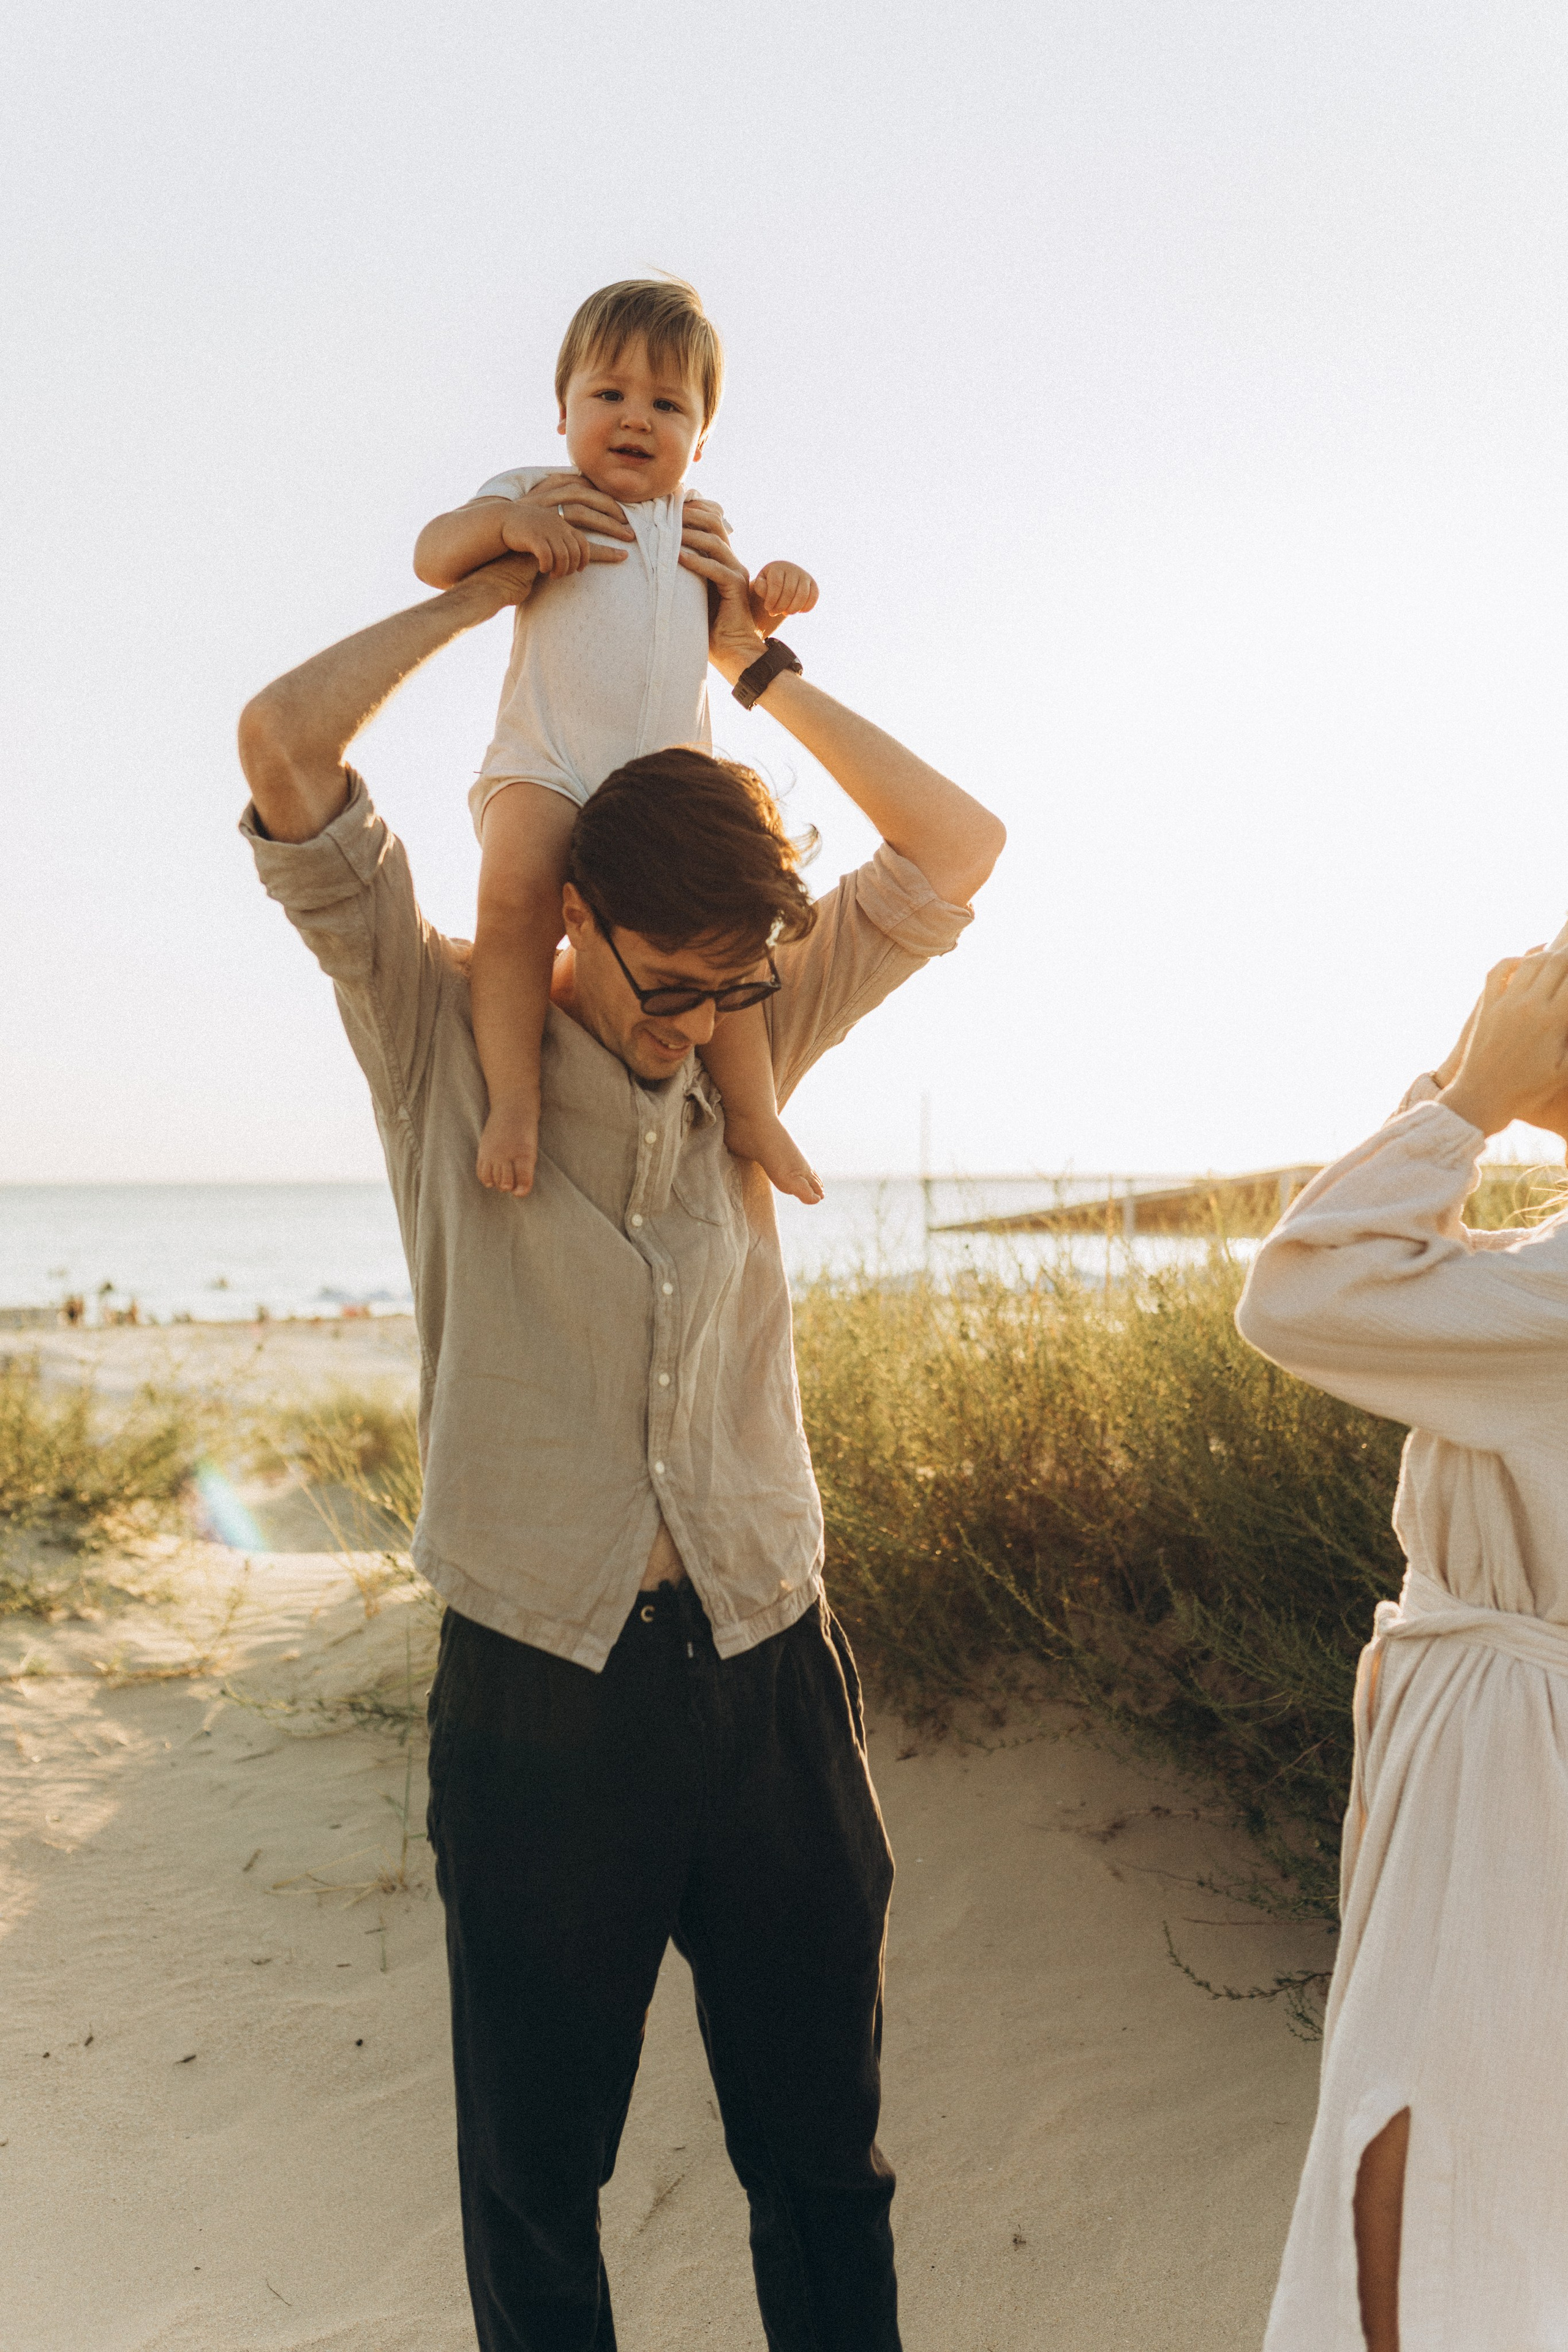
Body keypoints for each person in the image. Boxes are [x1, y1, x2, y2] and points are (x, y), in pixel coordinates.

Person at [235, 503, 1005, 2352]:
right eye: (669, 984)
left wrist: (751, 663)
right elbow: (281, 750)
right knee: (536, 2185)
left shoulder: (750, 1019)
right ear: (573, 910)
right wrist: (503, 595)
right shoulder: (436, 1032)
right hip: (540, 1692)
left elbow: (956, 846)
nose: (697, 1022)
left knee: (824, 2161)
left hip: (768, 1669)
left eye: (732, 987)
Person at [1235, 940, 1568, 2352]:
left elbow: (1300, 1292)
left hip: (1509, 1761)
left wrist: (1465, 1096)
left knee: (1416, 2166)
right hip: (1497, 1730)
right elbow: (1404, 1273)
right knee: (1463, 2170)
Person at [413, 276, 823, 1207]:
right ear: (563, 411)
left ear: (701, 438)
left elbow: (732, 623)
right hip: (551, 762)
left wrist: (770, 592)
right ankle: (514, 1100)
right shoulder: (541, 492)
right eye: (610, 394)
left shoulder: (699, 523)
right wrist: (509, 526)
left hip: (672, 785)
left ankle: (754, 1109)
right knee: (515, 898)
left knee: (727, 932)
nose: (636, 418)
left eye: (668, 405)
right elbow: (434, 553)